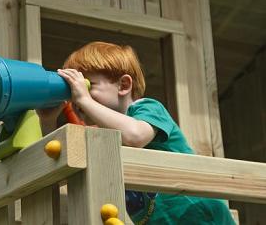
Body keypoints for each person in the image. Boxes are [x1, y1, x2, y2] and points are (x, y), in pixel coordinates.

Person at [37, 41, 235, 224]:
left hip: (202, 215)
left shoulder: (147, 109)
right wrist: (48, 121)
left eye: (89, 85)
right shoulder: (101, 137)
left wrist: (85, 99)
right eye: (75, 91)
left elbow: (135, 136)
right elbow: (59, 156)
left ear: (124, 85)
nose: (78, 96)